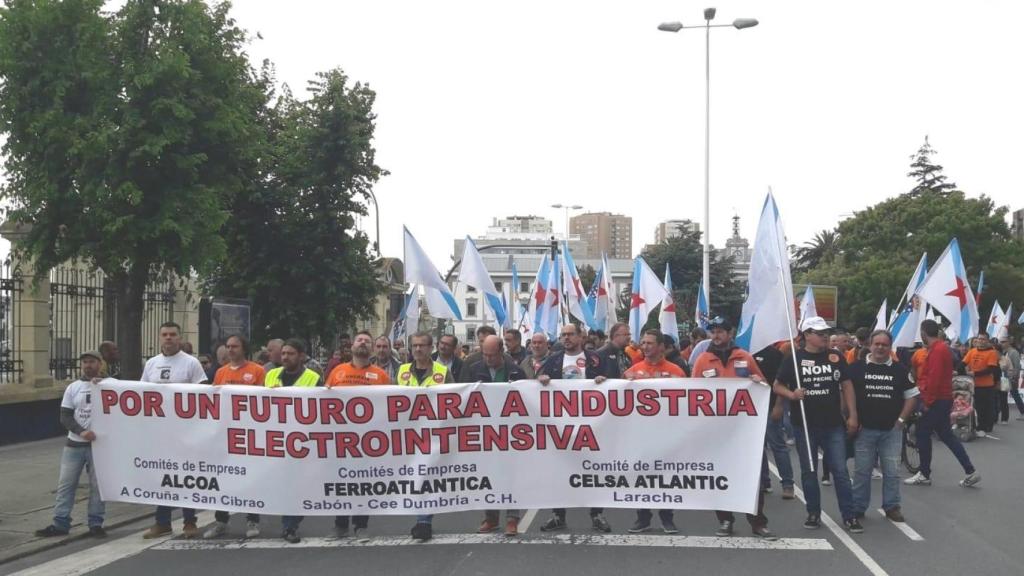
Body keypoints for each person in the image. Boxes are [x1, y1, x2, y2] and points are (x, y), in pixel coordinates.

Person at [773, 316, 862, 534]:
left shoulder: (835, 356)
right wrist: (792, 395)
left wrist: (853, 414)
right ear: (806, 335)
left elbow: (847, 385)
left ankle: (849, 515)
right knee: (809, 470)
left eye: (825, 332)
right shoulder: (793, 359)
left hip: (833, 424)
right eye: (818, 332)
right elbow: (777, 385)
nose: (823, 336)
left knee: (840, 471)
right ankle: (813, 512)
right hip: (804, 425)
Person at [692, 319, 777, 540]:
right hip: (716, 430)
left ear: (730, 333)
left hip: (743, 431)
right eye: (713, 331)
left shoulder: (744, 357)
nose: (716, 335)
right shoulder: (703, 360)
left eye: (720, 331)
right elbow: (692, 393)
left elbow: (763, 387)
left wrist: (758, 381)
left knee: (751, 476)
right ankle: (725, 519)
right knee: (719, 475)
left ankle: (758, 522)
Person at [536, 323, 611, 533]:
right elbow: (537, 384)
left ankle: (597, 514)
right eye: (563, 335)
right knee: (559, 470)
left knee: (594, 470)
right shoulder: (553, 360)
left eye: (570, 334)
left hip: (593, 426)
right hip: (561, 427)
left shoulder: (596, 359)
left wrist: (604, 382)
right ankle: (558, 514)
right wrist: (540, 380)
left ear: (581, 336)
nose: (566, 338)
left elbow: (615, 384)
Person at [141, 322, 208, 539]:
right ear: (159, 337)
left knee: (186, 476)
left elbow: (202, 395)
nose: (168, 338)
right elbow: (141, 393)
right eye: (164, 334)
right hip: (160, 433)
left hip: (185, 432)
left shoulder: (191, 364)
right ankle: (162, 522)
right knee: (163, 476)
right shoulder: (151, 364)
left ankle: (189, 521)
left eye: (172, 335)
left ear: (179, 337)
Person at [323, 331, 390, 536]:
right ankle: (340, 524)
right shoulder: (337, 372)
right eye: (359, 340)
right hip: (341, 440)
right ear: (352, 345)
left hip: (368, 442)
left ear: (371, 349)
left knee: (363, 483)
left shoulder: (381, 376)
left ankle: (361, 525)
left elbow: (390, 406)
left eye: (367, 341)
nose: (363, 343)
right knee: (341, 482)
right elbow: (322, 400)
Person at [35, 351, 107, 538]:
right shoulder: (73, 388)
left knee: (98, 487)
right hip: (75, 445)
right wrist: (81, 431)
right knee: (66, 484)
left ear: (100, 364)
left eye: (92, 362)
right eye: (84, 362)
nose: (87, 365)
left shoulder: (110, 386)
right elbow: (65, 416)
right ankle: (60, 522)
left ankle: (96, 523)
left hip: (100, 447)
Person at [849, 330, 917, 523]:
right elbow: (846, 394)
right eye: (877, 344)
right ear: (870, 345)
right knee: (862, 471)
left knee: (892, 471)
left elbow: (912, 396)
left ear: (890, 347)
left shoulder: (900, 370)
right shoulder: (855, 368)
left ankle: (892, 506)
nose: (880, 347)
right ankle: (858, 507)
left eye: (884, 345)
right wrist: (850, 417)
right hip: (864, 429)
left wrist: (902, 420)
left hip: (891, 431)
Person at [904, 320, 980, 488]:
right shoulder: (940, 349)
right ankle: (970, 471)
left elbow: (934, 379)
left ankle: (924, 473)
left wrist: (927, 403)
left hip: (936, 399)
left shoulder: (937, 350)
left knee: (923, 433)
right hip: (942, 398)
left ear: (923, 333)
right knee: (946, 435)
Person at [204, 335, 266, 539]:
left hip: (249, 433)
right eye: (228, 346)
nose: (230, 350)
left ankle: (252, 520)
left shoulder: (256, 370)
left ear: (243, 349)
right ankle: (221, 521)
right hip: (225, 433)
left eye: (234, 346)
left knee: (250, 477)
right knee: (223, 477)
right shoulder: (221, 372)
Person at [623, 330, 685, 535]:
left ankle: (667, 518)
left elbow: (688, 399)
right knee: (642, 475)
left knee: (666, 475)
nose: (645, 346)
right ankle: (643, 517)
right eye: (643, 343)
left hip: (667, 434)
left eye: (650, 343)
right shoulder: (633, 371)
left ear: (661, 346)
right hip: (640, 435)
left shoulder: (676, 370)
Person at [467, 335, 527, 536]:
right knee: (487, 475)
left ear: (501, 352)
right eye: (485, 354)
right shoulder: (474, 370)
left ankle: (512, 518)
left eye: (492, 355)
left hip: (509, 433)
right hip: (482, 432)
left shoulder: (516, 372)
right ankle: (491, 518)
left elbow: (528, 399)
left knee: (511, 476)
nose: (488, 359)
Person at [399, 332, 454, 541]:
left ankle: (424, 521)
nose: (418, 349)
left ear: (431, 348)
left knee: (427, 475)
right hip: (407, 433)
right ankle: (421, 517)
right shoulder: (402, 371)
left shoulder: (442, 372)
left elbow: (453, 398)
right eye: (414, 346)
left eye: (422, 345)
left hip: (433, 433)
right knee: (413, 476)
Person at [267, 338, 323, 543]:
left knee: (301, 486)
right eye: (283, 354)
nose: (285, 357)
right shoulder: (271, 375)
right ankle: (289, 526)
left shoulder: (313, 378)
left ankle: (291, 523)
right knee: (287, 486)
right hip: (278, 441)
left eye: (290, 354)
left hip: (303, 442)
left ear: (300, 356)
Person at [757, 342, 795, 500]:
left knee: (777, 445)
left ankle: (788, 484)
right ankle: (764, 482)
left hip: (770, 406)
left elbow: (782, 381)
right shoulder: (743, 353)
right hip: (750, 409)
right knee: (756, 448)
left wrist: (779, 405)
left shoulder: (774, 355)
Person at [963, 333, 1000, 436]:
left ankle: (985, 427)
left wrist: (975, 373)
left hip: (986, 386)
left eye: (983, 339)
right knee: (976, 407)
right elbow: (963, 363)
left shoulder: (992, 352)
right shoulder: (972, 351)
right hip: (973, 385)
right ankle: (977, 425)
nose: (980, 341)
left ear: (987, 341)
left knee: (985, 408)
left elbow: (991, 369)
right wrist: (957, 370)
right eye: (979, 339)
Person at [1001, 338, 1024, 420]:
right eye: (1001, 342)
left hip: (1012, 377)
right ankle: (1002, 414)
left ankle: (1022, 412)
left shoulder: (1013, 352)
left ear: (1009, 342)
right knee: (1003, 395)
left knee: (1015, 394)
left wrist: (1014, 377)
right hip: (1004, 377)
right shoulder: (1004, 352)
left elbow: (1017, 366)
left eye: (1004, 342)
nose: (1002, 343)